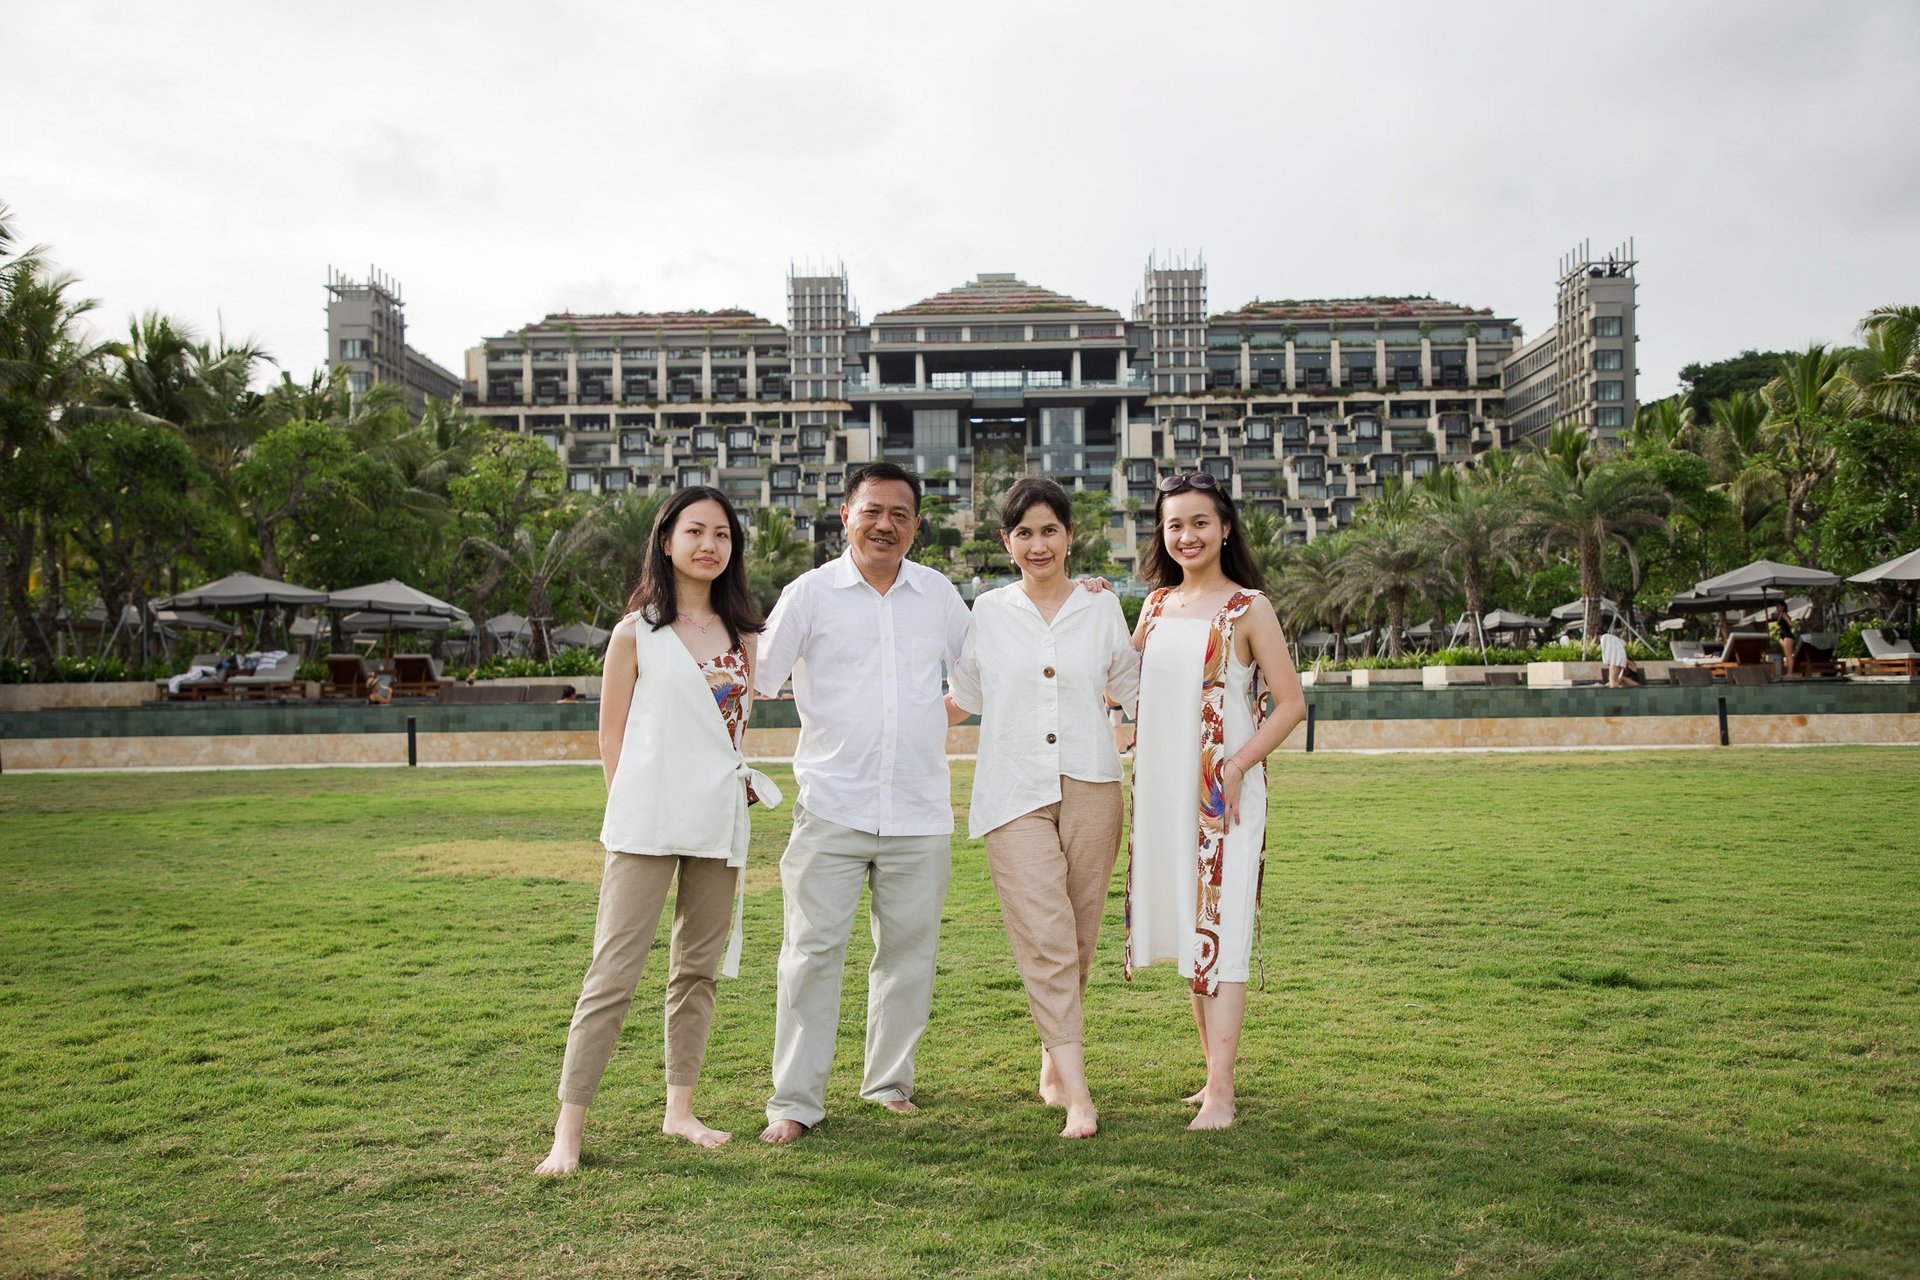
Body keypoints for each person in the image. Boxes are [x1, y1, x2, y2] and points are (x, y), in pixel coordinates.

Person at [535, 486, 781, 1174]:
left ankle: (680, 1111)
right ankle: (568, 1131)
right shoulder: (633, 632)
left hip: (719, 820)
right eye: (696, 531)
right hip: (646, 820)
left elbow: (734, 731)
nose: (710, 545)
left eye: (723, 535)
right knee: (612, 973)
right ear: (666, 540)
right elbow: (610, 736)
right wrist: (630, 810)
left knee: (697, 971)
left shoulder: (745, 636)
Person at [752, 462, 973, 1145]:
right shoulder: (809, 593)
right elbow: (757, 677)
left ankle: (888, 1084)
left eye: (900, 515)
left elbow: (984, 676)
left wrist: (929, 719)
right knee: (809, 954)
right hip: (831, 804)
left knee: (908, 955)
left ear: (916, 525)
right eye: (872, 511)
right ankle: (795, 1101)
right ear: (846, 515)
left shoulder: (938, 595)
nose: (885, 525)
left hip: (918, 810)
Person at [945, 478, 1140, 1139]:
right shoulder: (987, 613)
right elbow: (965, 695)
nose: (1037, 544)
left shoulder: (1100, 607)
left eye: (1049, 530)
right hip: (1012, 791)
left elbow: (1131, 687)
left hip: (1092, 783)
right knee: (1046, 938)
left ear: (1069, 537)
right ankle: (1079, 1097)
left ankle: (1055, 1062)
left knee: (1079, 937)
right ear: (1006, 543)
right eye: (1023, 533)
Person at [1125, 471, 1306, 1131]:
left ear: (1224, 527)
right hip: (1163, 791)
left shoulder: (1248, 608)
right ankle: (1209, 1079)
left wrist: (1235, 764)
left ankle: (1224, 1094)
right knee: (1190, 931)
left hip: (1223, 794)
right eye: (1174, 524)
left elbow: (1290, 706)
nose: (1187, 535)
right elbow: (1122, 680)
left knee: (1222, 933)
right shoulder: (1155, 606)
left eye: (1200, 522)